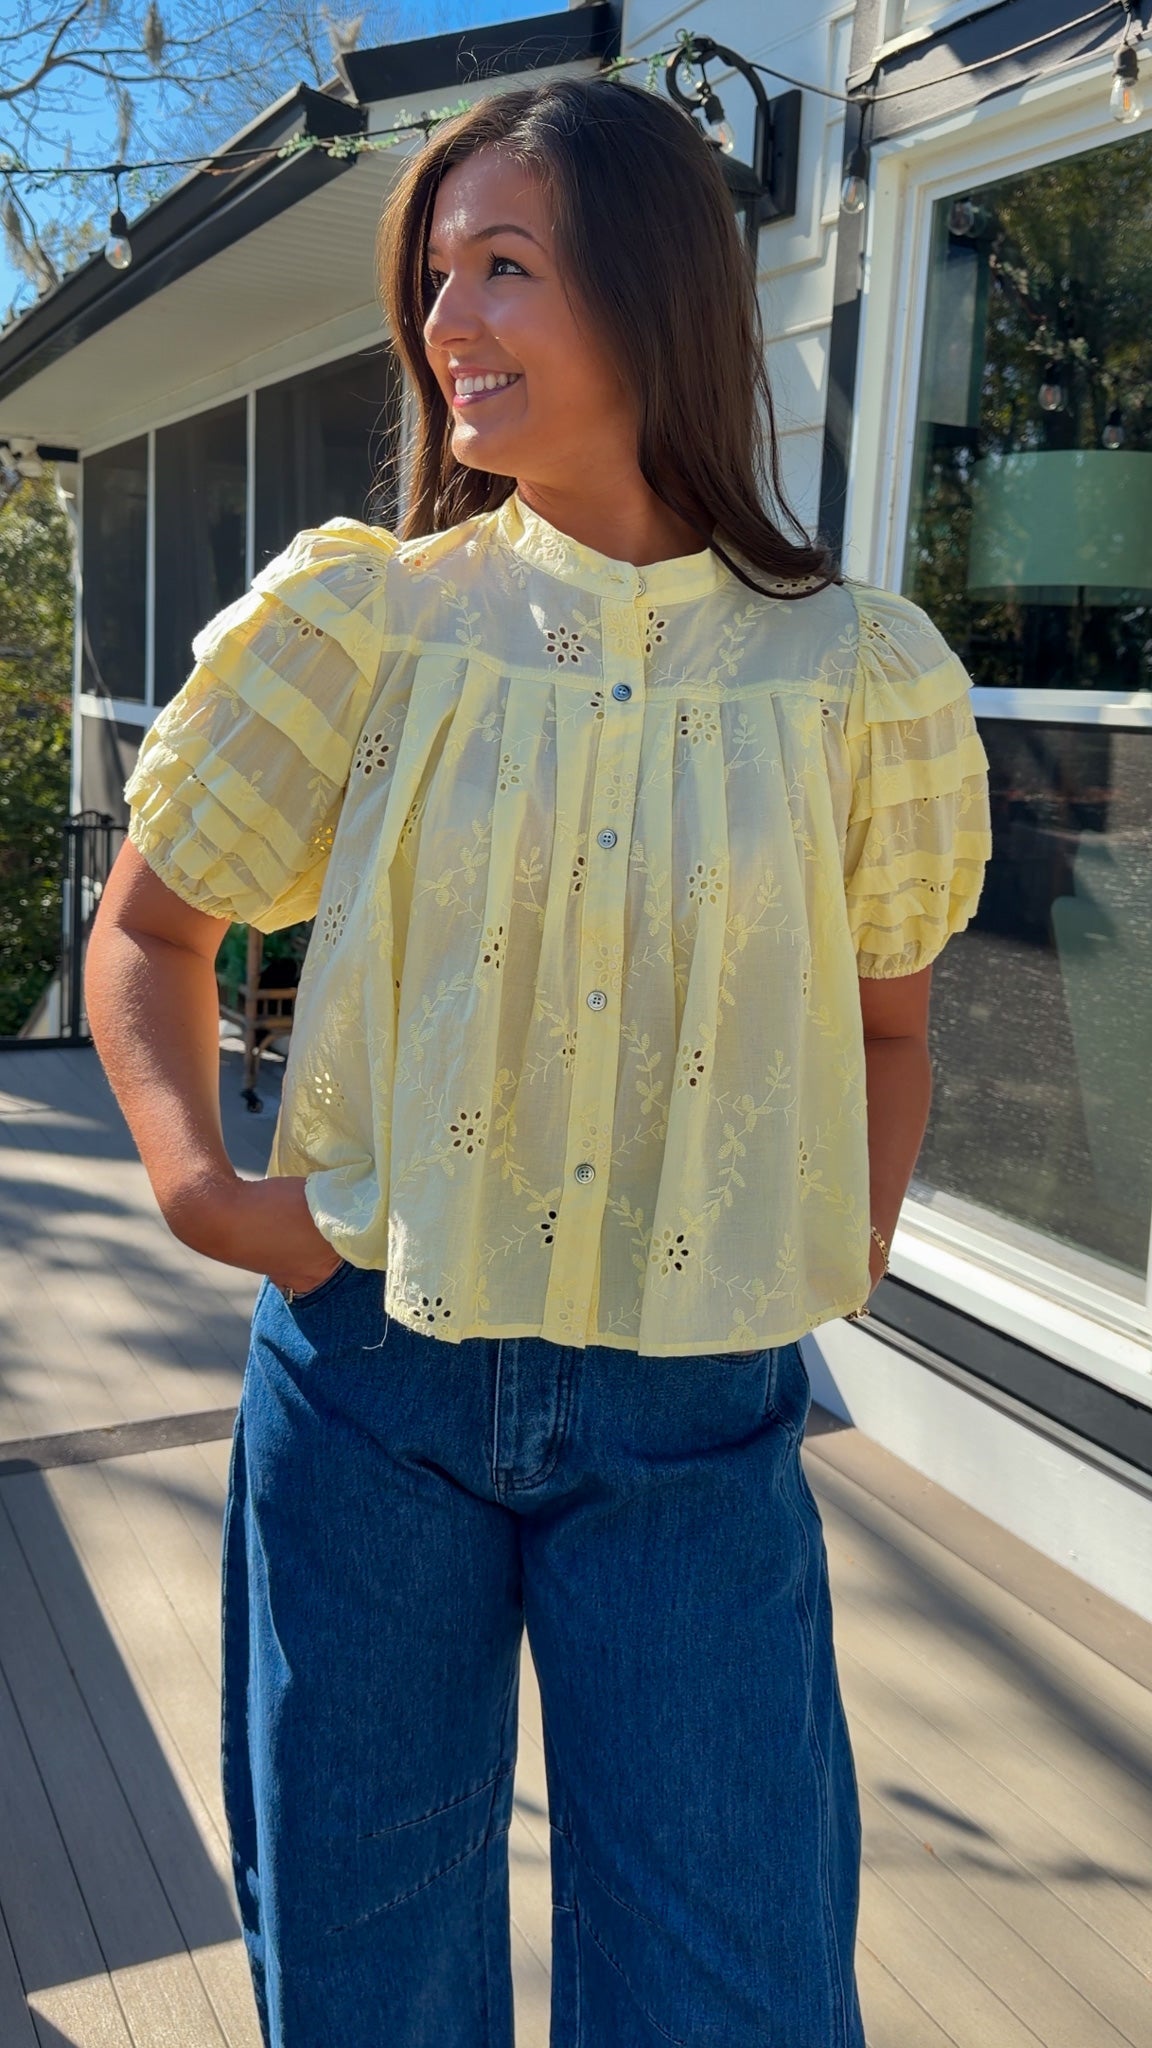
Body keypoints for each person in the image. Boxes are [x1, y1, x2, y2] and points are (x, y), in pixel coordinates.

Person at [85, 74, 992, 2048]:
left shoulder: (860, 678)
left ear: (659, 291)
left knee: (732, 1987)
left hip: (702, 1415)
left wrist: (842, 1238)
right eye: (433, 276)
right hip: (369, 1386)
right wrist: (191, 1182)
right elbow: (150, 936)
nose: (449, 325)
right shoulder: (365, 630)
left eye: (506, 266)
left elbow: (886, 1023)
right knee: (362, 1972)